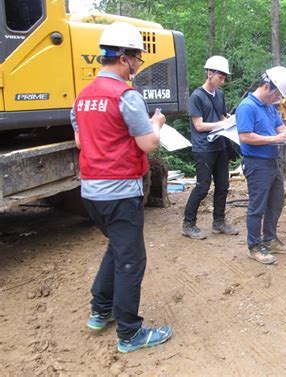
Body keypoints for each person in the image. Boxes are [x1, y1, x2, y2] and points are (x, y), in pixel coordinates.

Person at [70, 21, 172, 353]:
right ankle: (130, 333)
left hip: (91, 192)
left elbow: (80, 140)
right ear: (125, 58)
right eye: (138, 60)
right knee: (131, 259)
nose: (138, 66)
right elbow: (147, 145)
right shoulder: (126, 96)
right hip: (120, 191)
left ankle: (101, 311)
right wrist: (155, 124)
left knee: (117, 247)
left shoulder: (82, 97)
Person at [236, 66, 286, 265]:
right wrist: (273, 139)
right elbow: (245, 136)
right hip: (256, 164)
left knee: (276, 202)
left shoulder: (269, 107)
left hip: (271, 162)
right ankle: (254, 246)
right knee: (257, 207)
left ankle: (269, 238)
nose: (277, 99)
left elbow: (282, 128)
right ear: (267, 87)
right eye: (276, 94)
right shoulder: (247, 107)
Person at [182, 56, 239, 240]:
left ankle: (219, 222)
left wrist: (230, 121)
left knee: (223, 185)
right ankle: (188, 224)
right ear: (209, 73)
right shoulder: (196, 96)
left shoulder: (220, 95)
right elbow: (198, 125)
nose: (222, 81)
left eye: (224, 77)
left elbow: (222, 118)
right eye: (220, 77)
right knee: (202, 187)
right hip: (203, 148)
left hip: (220, 145)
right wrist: (221, 124)